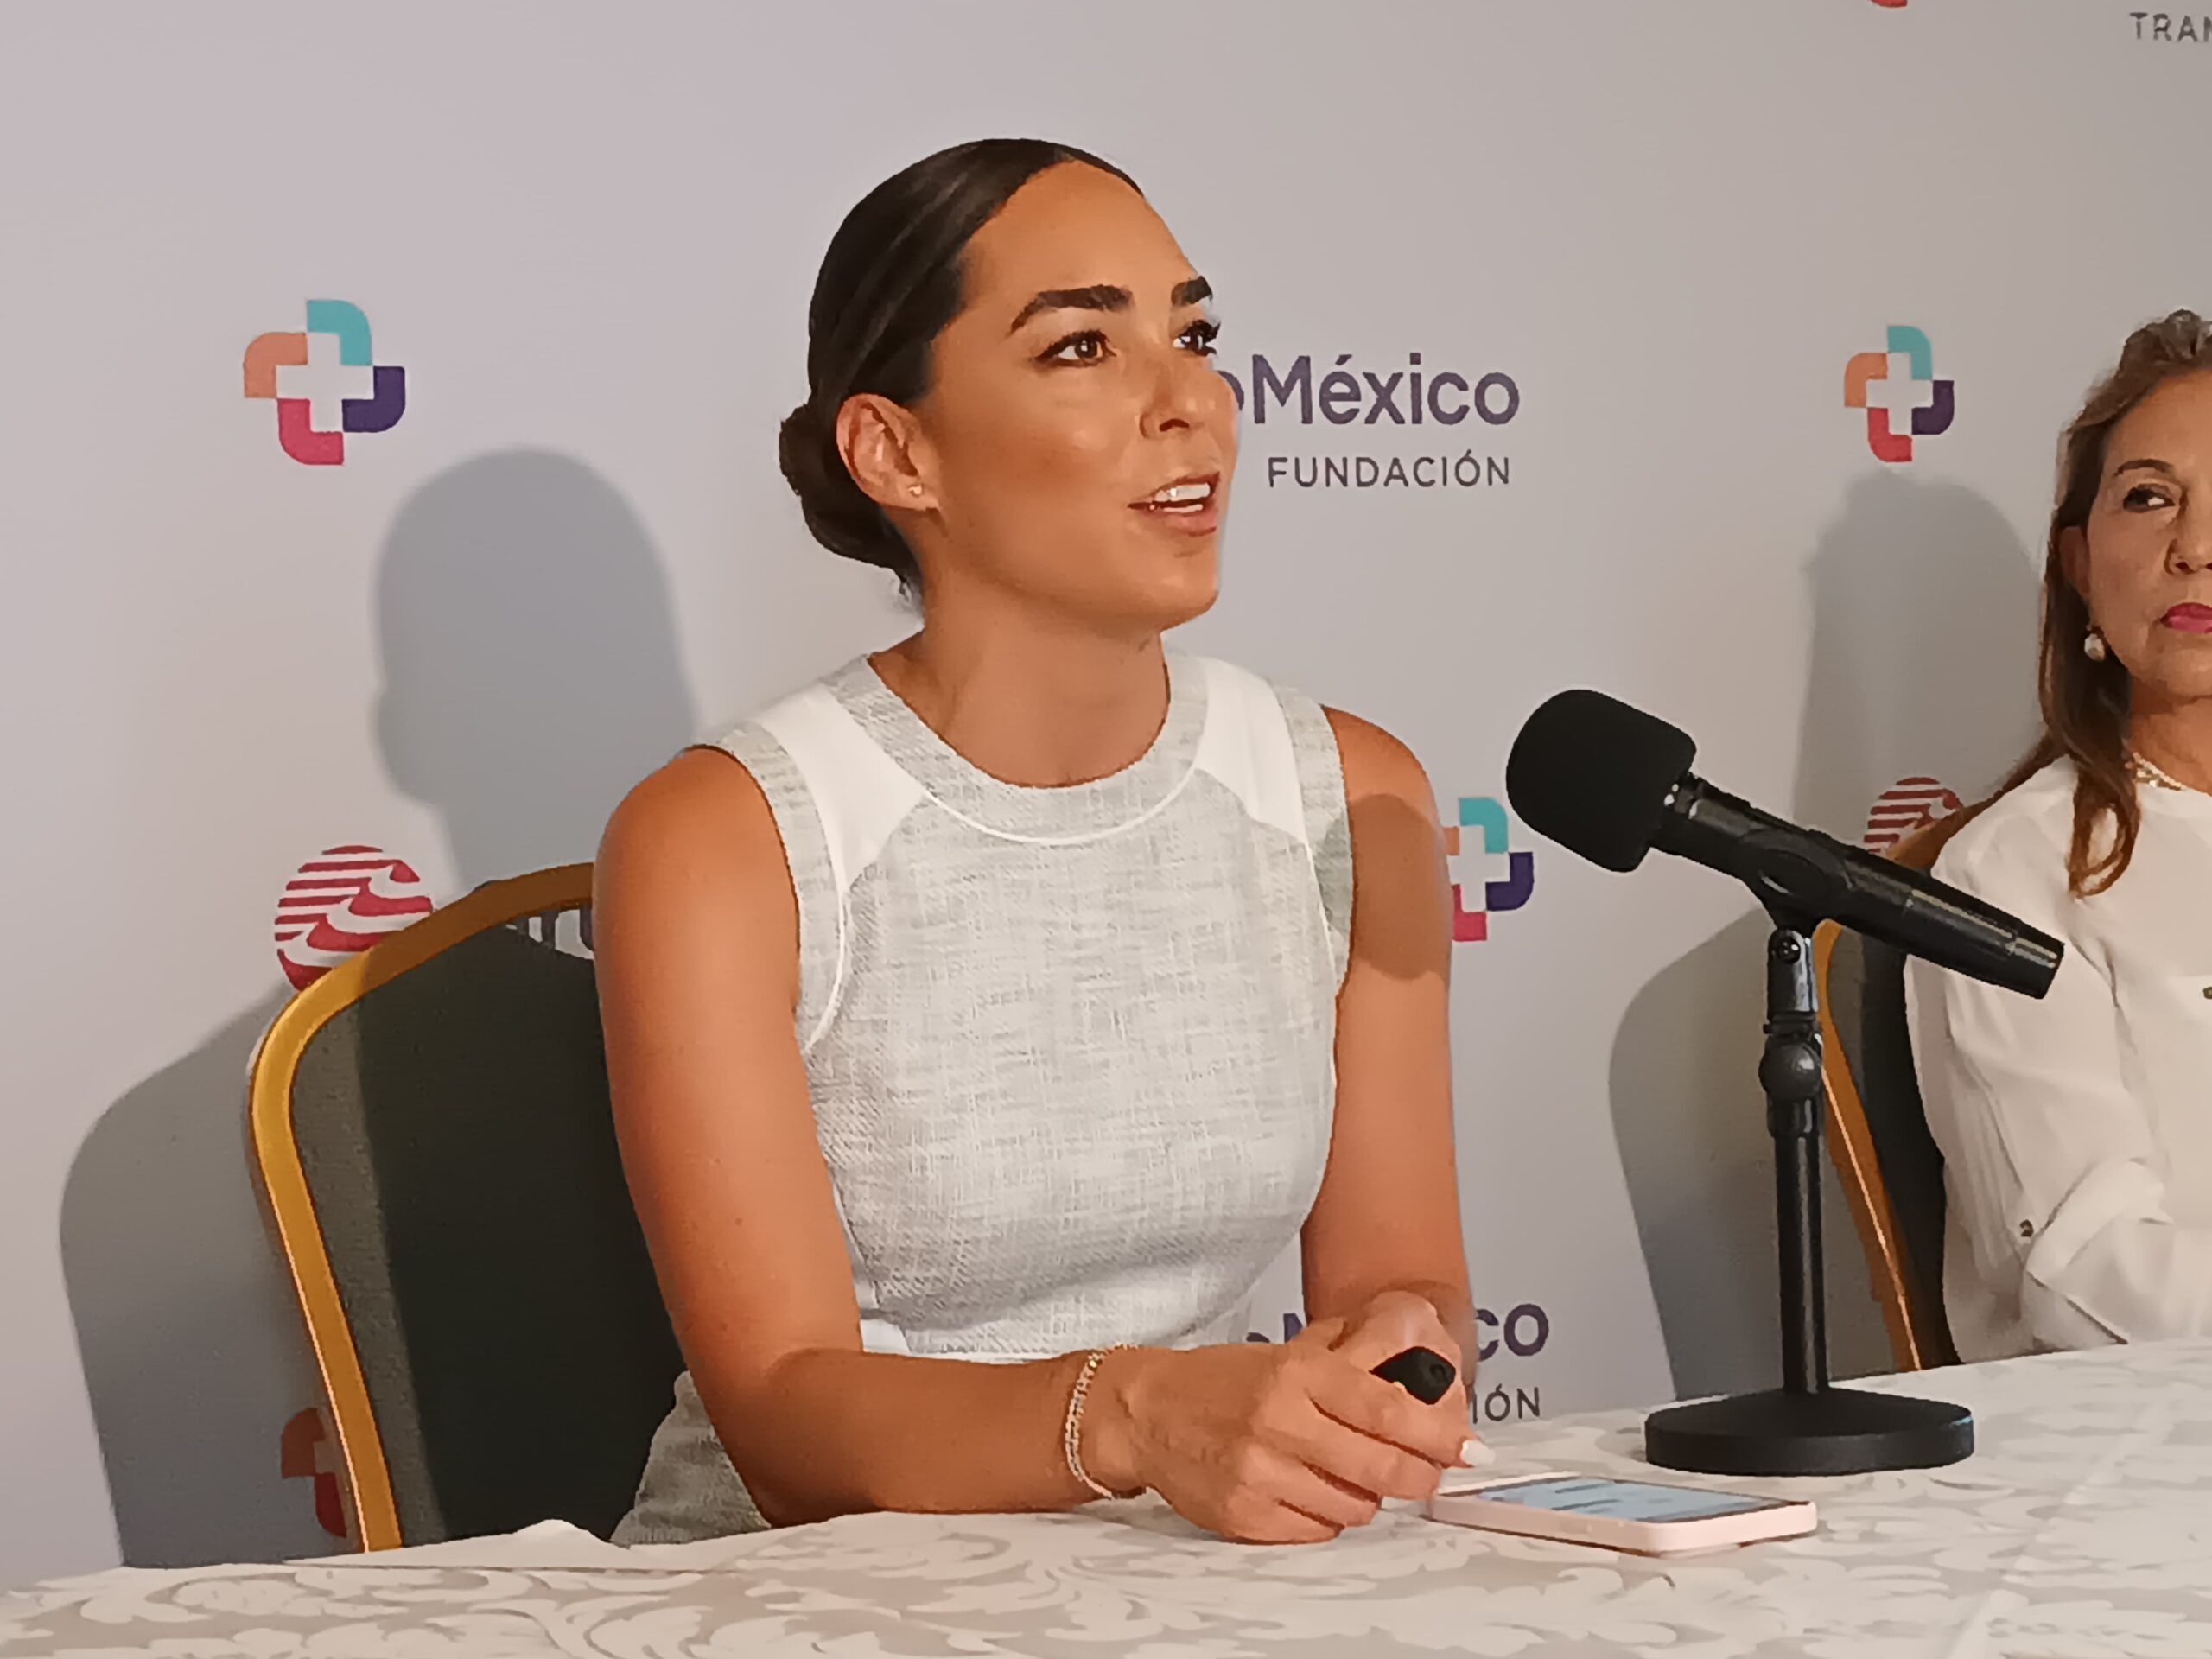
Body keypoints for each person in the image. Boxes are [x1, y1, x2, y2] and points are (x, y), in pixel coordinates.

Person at [593, 139, 1478, 1546]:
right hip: (801, 1593)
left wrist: (1390, 1369)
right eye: (1082, 347)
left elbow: (1399, 1281)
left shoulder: (1353, 794)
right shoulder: (721, 836)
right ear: (897, 452)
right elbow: (780, 1418)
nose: (1188, 401)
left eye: (1194, 335)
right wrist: (1136, 1415)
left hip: (1188, 1572)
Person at [1907, 310, 2212, 1362]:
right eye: (2148, 497)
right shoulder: (2009, 873)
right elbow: (2088, 1281)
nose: (2195, 547)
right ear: (2080, 564)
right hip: (2143, 1443)